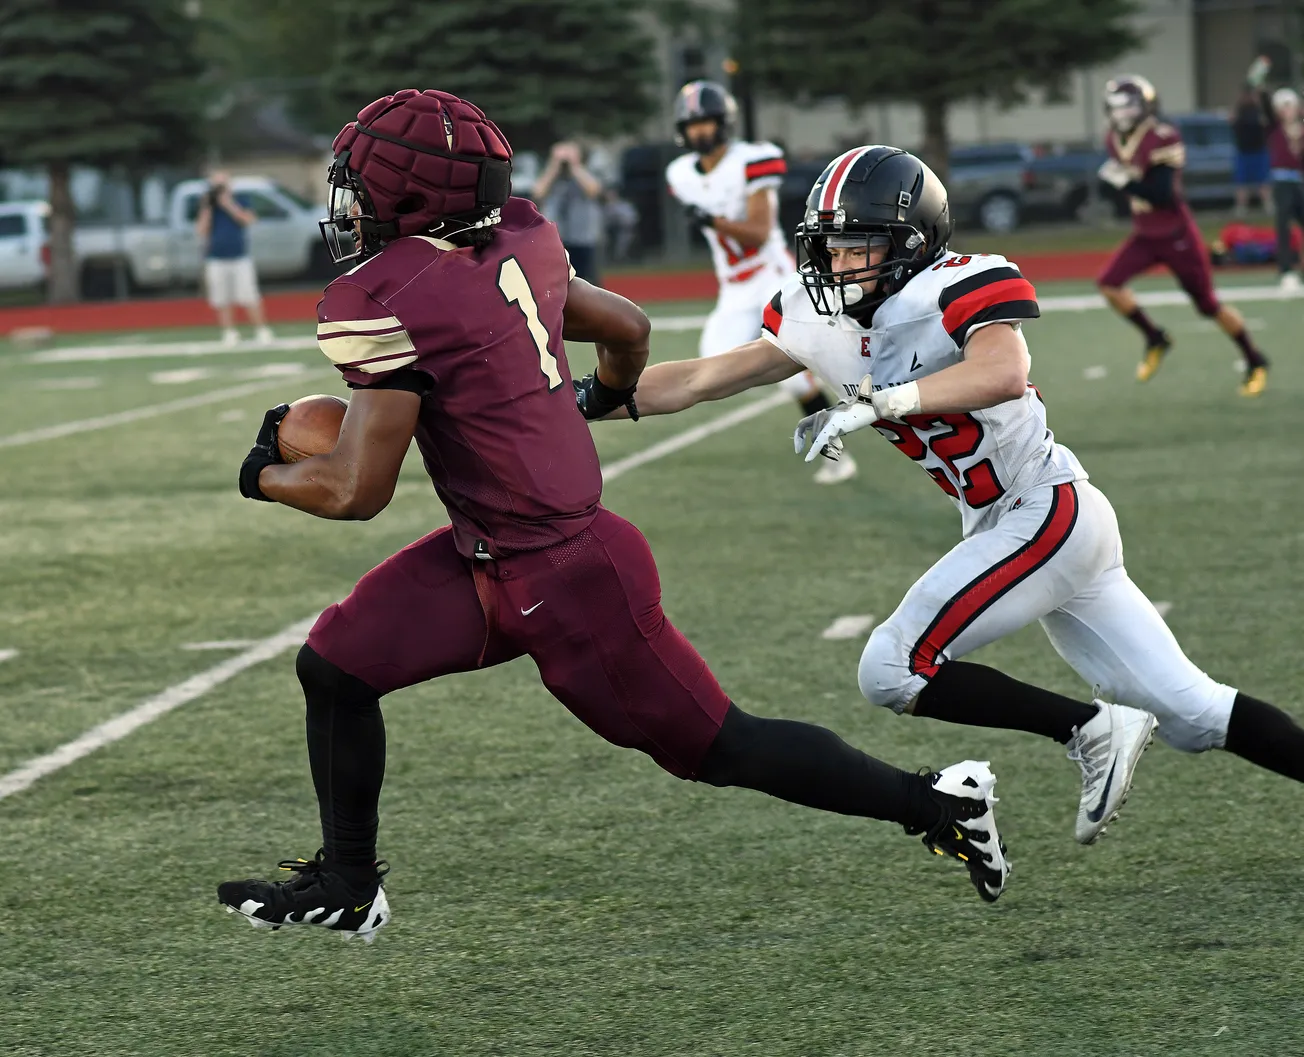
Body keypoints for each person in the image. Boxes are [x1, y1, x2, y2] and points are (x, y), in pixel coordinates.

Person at [216, 91, 1012, 941]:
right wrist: (599, 393)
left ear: (415, 198)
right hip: (488, 551)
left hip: (567, 577)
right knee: (335, 664)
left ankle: (937, 804)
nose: (354, 203)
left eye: (365, 185)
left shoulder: (392, 298)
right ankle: (346, 881)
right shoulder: (522, 241)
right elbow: (627, 326)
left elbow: (355, 490)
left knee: (723, 747)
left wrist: (262, 470)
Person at [611, 145, 1304, 847]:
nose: (836, 266)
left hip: (1044, 510)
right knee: (1193, 712)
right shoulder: (826, 320)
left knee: (890, 667)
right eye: (829, 249)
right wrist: (573, 397)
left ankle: (1088, 727)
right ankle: (1102, 726)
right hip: (1025, 524)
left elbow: (1002, 372)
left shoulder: (954, 286)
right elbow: (696, 379)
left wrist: (882, 401)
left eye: (856, 249)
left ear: (912, 244)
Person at [666, 81, 855, 486]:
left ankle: (839, 451)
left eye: (706, 122)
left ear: (724, 122)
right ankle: (809, 381)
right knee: (714, 362)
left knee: (813, 373)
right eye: (692, 124)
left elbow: (757, 230)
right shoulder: (680, 174)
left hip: (771, 278)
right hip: (733, 288)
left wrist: (713, 221)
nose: (699, 131)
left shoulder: (752, 160)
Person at [1093, 75, 1269, 397]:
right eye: (1116, 107)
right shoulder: (1113, 139)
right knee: (1108, 283)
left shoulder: (1163, 136)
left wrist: (1120, 182)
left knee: (1207, 305)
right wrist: (1120, 185)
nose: (1121, 114)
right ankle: (1155, 337)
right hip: (1145, 233)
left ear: (1144, 107)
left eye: (1127, 107)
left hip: (1176, 235)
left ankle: (1255, 360)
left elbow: (1160, 194)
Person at [195, 170, 275, 346]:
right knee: (221, 298)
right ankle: (229, 332)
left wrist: (228, 204)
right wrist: (207, 207)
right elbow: (201, 230)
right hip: (215, 257)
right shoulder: (209, 207)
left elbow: (248, 220)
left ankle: (261, 330)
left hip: (239, 256)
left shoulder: (240, 200)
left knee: (249, 295)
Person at [532, 140, 604, 285]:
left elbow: (593, 190)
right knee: (558, 281)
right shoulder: (550, 175)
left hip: (584, 237)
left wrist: (575, 166)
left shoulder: (586, 172)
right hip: (557, 237)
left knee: (588, 281)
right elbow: (537, 193)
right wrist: (554, 166)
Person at [1265, 86, 1304, 290]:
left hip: (1298, 181)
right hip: (1282, 181)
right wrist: (1262, 87)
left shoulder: (1300, 129)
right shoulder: (1275, 128)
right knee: (1284, 225)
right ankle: (1286, 269)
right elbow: (1265, 105)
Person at [1231, 81, 1272, 218]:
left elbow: (1269, 119)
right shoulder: (1240, 110)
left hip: (1259, 151)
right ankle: (1241, 207)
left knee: (1263, 181)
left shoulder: (1260, 110)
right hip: (1243, 151)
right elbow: (1234, 125)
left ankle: (1268, 205)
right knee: (1241, 182)